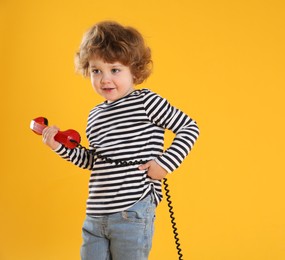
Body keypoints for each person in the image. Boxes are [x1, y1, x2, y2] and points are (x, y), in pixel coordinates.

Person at [42, 21, 200, 260]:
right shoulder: (95, 114)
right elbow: (92, 161)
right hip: (95, 214)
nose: (105, 79)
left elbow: (189, 127)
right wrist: (58, 146)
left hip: (132, 209)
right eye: (97, 71)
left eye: (115, 70)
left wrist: (166, 163)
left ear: (134, 70)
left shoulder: (146, 102)